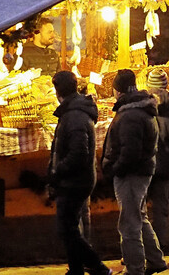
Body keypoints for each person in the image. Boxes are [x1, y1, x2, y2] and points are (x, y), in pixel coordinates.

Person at [102, 69, 165, 275]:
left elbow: (130, 152)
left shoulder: (130, 115)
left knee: (129, 223)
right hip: (141, 171)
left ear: (117, 91)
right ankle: (155, 260)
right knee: (139, 216)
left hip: (131, 174)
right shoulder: (140, 109)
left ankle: (134, 268)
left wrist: (115, 168)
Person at [47, 71, 110, 275]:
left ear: (58, 91)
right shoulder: (73, 112)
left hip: (74, 180)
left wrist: (58, 170)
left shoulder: (74, 116)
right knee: (70, 228)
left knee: (67, 229)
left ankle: (97, 267)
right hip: (77, 179)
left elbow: (78, 153)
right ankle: (76, 270)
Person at [144, 68, 169, 249]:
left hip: (145, 165)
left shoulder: (144, 109)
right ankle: (159, 249)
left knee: (140, 212)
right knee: (161, 210)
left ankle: (143, 250)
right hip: (165, 164)